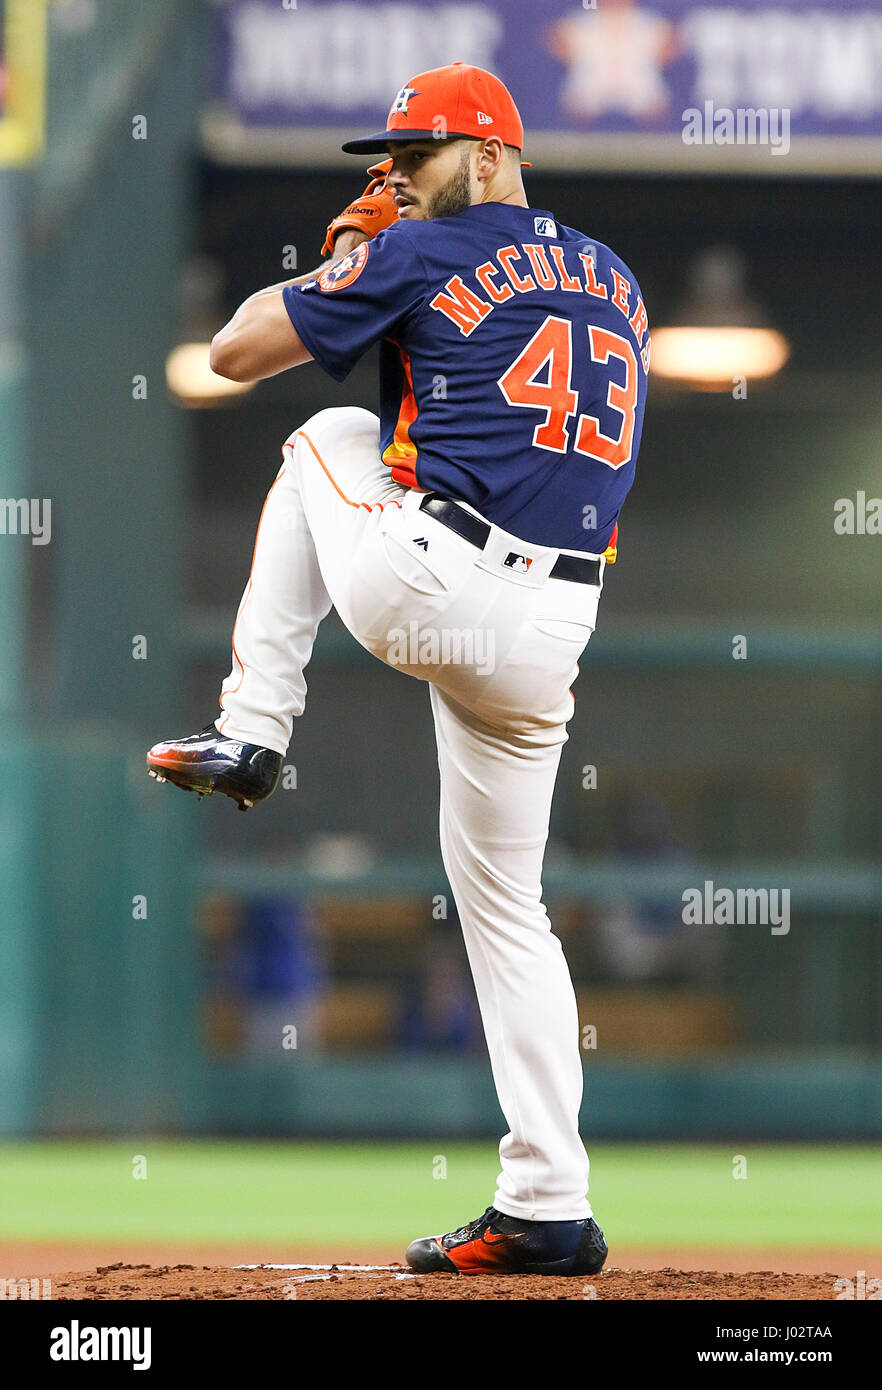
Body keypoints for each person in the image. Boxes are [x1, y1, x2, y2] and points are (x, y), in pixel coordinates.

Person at [147, 62, 649, 1277]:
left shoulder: (427, 248)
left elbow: (226, 351)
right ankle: (548, 1203)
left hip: (439, 582)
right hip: (553, 633)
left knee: (324, 434)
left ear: (486, 157)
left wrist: (340, 267)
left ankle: (252, 728)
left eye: (417, 159)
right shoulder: (618, 279)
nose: (397, 181)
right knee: (511, 911)